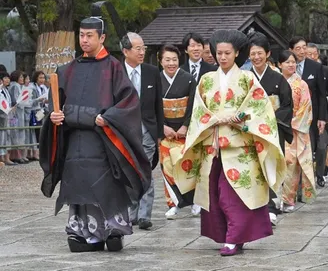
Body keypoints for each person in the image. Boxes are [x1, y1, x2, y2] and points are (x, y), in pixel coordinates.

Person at [39, 17, 151, 253]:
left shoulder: (113, 68)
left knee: (106, 185)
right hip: (75, 141)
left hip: (103, 141)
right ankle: (81, 232)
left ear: (102, 38)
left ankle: (112, 231)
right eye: (81, 35)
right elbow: (56, 104)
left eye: (90, 35)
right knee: (79, 185)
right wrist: (55, 115)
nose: (84, 40)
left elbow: (129, 102)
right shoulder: (67, 70)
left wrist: (107, 117)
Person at [171, 30, 286, 256]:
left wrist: (240, 120)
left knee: (232, 193)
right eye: (219, 53)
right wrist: (213, 119)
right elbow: (198, 111)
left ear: (236, 54)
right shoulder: (206, 80)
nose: (222, 57)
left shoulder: (247, 79)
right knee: (214, 193)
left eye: (227, 53)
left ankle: (233, 238)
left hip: (239, 147)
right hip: (212, 145)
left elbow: (260, 108)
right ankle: (230, 236)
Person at [248, 32, 293, 225]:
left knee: (272, 166)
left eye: (260, 53)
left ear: (267, 54)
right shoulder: (245, 78)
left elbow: (287, 105)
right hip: (250, 129)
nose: (256, 57)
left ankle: (272, 207)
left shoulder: (278, 78)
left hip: (273, 129)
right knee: (252, 167)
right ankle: (254, 206)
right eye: (253, 54)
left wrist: (268, 120)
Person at [121, 32, 164, 230]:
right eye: (137, 49)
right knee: (128, 170)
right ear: (125, 51)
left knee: (145, 168)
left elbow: (158, 105)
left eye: (143, 48)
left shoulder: (152, 72)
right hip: (124, 129)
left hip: (147, 128)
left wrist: (159, 134)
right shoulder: (116, 72)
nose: (141, 52)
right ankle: (132, 211)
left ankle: (145, 214)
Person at [157, 44, 197, 219]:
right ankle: (173, 203)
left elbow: (193, 105)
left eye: (174, 59)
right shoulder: (156, 79)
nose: (171, 63)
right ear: (160, 61)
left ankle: (194, 201)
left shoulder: (188, 79)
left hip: (184, 131)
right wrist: (162, 126)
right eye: (167, 59)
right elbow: (153, 107)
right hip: (166, 131)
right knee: (168, 167)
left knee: (188, 166)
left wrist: (186, 126)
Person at [278, 51, 316, 211]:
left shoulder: (301, 84)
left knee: (291, 162)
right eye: (287, 62)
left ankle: (288, 199)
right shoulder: (274, 80)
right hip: (274, 126)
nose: (291, 65)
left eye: (293, 62)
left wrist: (289, 122)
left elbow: (306, 107)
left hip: (293, 130)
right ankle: (274, 199)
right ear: (280, 64)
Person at [289, 37, 327, 186]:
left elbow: (322, 95)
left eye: (304, 47)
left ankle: (308, 182)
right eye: (298, 48)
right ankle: (294, 183)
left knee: (308, 149)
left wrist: (322, 117)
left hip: (311, 115)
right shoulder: (287, 66)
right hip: (291, 115)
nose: (302, 51)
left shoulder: (315, 67)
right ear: (291, 50)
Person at [306, 43, 328, 186]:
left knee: (322, 145)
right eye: (308, 54)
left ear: (317, 54)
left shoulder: (324, 70)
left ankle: (320, 174)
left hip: (321, 113)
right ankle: (309, 176)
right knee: (309, 146)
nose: (311, 56)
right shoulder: (301, 69)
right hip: (306, 114)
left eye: (314, 54)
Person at [8, 70, 28, 164]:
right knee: (16, 132)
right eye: (20, 77)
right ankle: (16, 155)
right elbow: (16, 100)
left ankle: (18, 154)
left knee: (17, 132)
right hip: (16, 113)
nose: (22, 79)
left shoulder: (17, 86)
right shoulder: (15, 86)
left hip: (18, 112)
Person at [0, 71, 12, 166]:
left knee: (6, 136)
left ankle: (5, 157)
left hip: (7, 115)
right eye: (5, 78)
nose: (7, 80)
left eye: (8, 78)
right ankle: (2, 157)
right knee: (2, 136)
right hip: (1, 115)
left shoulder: (6, 90)